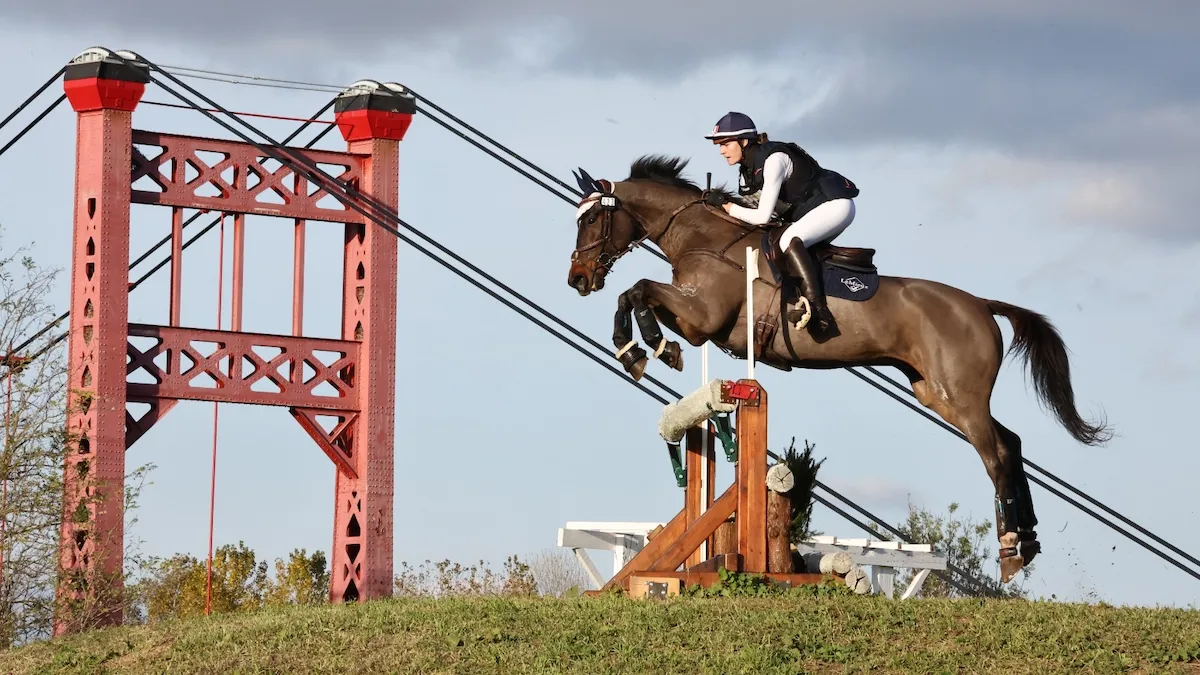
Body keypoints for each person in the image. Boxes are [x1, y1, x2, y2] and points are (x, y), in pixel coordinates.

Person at [702, 111, 858, 331]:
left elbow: (762, 217)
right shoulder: (746, 173)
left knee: (788, 241)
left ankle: (818, 310)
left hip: (836, 205)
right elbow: (764, 219)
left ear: (744, 141)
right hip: (814, 210)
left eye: (726, 143)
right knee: (780, 243)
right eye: (719, 145)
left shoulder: (774, 160)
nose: (721, 151)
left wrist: (727, 206)